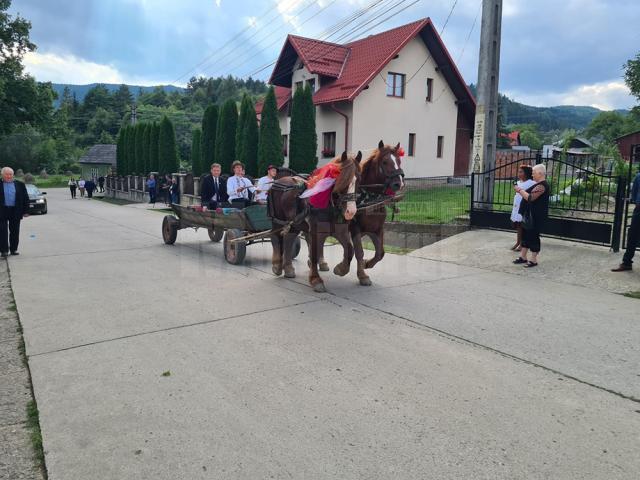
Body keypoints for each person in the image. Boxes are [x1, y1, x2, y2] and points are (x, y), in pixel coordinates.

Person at [513, 164, 550, 268]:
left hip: (536, 216)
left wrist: (519, 190)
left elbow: (530, 198)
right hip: (530, 215)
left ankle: (533, 260)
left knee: (533, 236)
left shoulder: (542, 185)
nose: (532, 175)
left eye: (533, 173)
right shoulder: (537, 184)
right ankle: (523, 257)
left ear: (540, 173)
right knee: (525, 235)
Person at [612, 171, 640, 272]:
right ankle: (627, 263)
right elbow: (634, 192)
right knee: (632, 236)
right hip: (639, 210)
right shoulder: (639, 176)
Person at [0, 167, 30, 257]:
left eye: (10, 174)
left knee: (15, 231)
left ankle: (13, 249)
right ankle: (4, 250)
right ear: (2, 175)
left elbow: (25, 198)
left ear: (13, 175)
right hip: (2, 211)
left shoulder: (20, 184)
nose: (9, 176)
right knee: (2, 231)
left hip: (15, 211)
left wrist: (26, 211)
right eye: (7, 174)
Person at [510, 165, 535, 251]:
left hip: (524, 207)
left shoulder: (531, 183)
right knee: (518, 226)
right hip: (517, 207)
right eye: (519, 172)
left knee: (523, 226)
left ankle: (522, 244)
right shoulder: (518, 182)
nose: (519, 174)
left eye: (521, 172)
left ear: (527, 173)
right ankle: (518, 242)